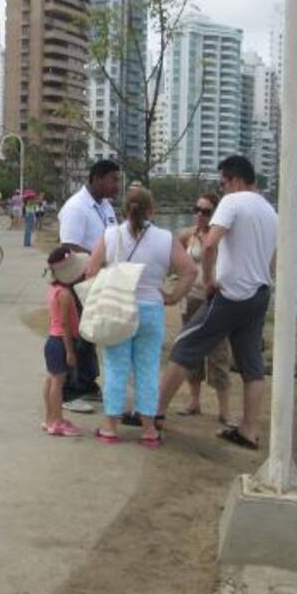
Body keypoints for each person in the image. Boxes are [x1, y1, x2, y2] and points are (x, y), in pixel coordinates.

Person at [156, 155, 277, 450]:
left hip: (230, 295)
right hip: (259, 293)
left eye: (222, 183)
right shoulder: (270, 211)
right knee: (251, 363)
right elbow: (273, 258)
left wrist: (208, 280)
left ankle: (154, 412)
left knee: (185, 346)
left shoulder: (233, 202)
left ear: (235, 180)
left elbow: (209, 243)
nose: (221, 189)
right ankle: (249, 429)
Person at [85, 185, 196, 447]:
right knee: (147, 369)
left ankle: (111, 427)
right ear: (152, 210)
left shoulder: (110, 235)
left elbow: (90, 270)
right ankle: (148, 430)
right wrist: (173, 296)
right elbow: (190, 271)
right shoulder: (166, 239)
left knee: (116, 367)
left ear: (124, 210)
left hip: (118, 309)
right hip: (151, 309)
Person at [57, 159, 121, 413]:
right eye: (113, 179)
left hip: (98, 280)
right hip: (78, 281)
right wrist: (100, 257)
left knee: (90, 334)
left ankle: (86, 382)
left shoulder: (105, 206)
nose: (117, 185)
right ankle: (69, 391)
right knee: (76, 334)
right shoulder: (76, 207)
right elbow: (69, 246)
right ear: (97, 178)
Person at [174, 193, 233, 424]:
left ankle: (225, 410)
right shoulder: (188, 235)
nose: (200, 214)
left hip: (214, 299)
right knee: (190, 349)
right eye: (196, 209)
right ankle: (194, 400)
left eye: (206, 211)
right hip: (190, 299)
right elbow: (173, 256)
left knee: (218, 353)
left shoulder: (221, 237)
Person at [41, 246, 87, 437]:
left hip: (52, 340)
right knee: (59, 383)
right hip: (61, 342)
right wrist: (70, 351)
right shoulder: (66, 294)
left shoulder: (54, 289)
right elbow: (66, 324)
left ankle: (49, 418)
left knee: (51, 379)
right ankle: (57, 421)